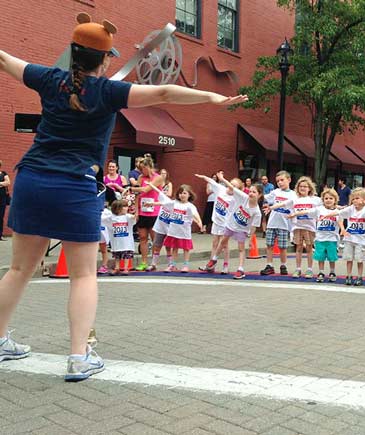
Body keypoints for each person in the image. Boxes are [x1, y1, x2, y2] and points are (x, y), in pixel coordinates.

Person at [0, 13, 247, 381]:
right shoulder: (108, 92)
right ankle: (78, 357)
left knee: (19, 269)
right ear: (104, 59)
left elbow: (4, 59)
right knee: (83, 276)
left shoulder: (48, 78)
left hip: (33, 179)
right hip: (75, 186)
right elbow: (164, 91)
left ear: (71, 53)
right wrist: (213, 96)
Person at [323, 188, 365, 286]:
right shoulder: (350, 209)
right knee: (349, 258)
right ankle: (349, 275)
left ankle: (359, 276)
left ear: (364, 199)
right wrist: (327, 215)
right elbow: (339, 212)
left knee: (359, 259)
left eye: (357, 198)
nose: (355, 201)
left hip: (361, 240)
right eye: (353, 199)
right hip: (349, 238)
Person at [268, 176, 320, 279]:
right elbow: (282, 204)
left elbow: (328, 206)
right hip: (297, 227)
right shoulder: (295, 199)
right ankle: (298, 269)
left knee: (309, 248)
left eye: (305, 186)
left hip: (309, 228)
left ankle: (309, 269)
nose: (303, 188)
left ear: (309, 188)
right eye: (301, 186)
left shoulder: (315, 200)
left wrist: (339, 208)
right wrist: (270, 207)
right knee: (299, 248)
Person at [211, 173, 262, 279]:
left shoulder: (257, 212)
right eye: (250, 191)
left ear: (259, 195)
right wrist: (222, 179)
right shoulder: (243, 197)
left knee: (241, 248)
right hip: (231, 224)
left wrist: (250, 239)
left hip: (241, 229)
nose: (251, 193)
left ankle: (240, 269)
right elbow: (232, 187)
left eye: (254, 192)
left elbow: (254, 226)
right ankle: (214, 259)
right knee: (223, 241)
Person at [290, 188, 340, 283]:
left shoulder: (338, 211)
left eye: (331, 198)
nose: (328, 200)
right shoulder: (319, 209)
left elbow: (344, 218)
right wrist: (295, 214)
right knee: (320, 257)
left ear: (335, 200)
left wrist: (344, 231)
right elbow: (307, 212)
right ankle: (321, 272)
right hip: (320, 239)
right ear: (323, 200)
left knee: (331, 257)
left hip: (332, 239)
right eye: (326, 198)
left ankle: (332, 272)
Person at [197, 172, 243, 274]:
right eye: (231, 184)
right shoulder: (221, 189)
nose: (231, 187)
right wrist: (203, 176)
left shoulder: (236, 198)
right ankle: (211, 265)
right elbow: (212, 181)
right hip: (216, 221)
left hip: (226, 224)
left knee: (224, 245)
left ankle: (225, 265)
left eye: (234, 186)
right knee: (214, 243)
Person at [128, 156, 163, 270]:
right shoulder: (140, 177)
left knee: (154, 238)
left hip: (154, 212)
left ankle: (153, 263)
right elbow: (138, 195)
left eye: (143, 168)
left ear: (149, 167)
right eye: (140, 169)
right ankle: (143, 262)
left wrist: (131, 189)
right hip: (143, 211)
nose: (142, 171)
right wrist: (136, 211)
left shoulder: (158, 178)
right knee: (143, 237)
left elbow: (145, 189)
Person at [260, 171, 297, 276]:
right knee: (269, 245)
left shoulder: (293, 195)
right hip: (272, 223)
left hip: (284, 224)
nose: (280, 183)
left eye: (282, 180)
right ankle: (269, 265)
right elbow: (265, 197)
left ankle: (283, 265)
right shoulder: (275, 192)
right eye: (278, 181)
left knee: (283, 246)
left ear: (289, 180)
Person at [160, 184, 202, 273]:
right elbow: (163, 203)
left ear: (189, 195)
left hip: (184, 232)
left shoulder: (190, 206)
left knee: (186, 249)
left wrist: (199, 222)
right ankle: (173, 265)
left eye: (184, 193)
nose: (182, 195)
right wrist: (152, 203)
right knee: (174, 248)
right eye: (180, 193)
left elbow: (195, 214)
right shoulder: (174, 203)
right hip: (174, 231)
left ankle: (186, 265)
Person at [102, 199, 136, 276]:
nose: (126, 208)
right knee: (117, 255)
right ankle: (117, 268)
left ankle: (125, 268)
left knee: (126, 255)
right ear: (118, 208)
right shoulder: (111, 217)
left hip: (126, 241)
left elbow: (134, 218)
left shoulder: (127, 217)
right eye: (124, 206)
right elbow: (102, 219)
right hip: (116, 242)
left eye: (126, 206)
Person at [97, 205, 112, 274]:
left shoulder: (107, 212)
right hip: (93, 231)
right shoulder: (90, 209)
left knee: (103, 249)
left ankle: (104, 265)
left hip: (103, 232)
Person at [0, 161, 10, 241]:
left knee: (1, 216)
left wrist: (1, 183)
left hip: (2, 199)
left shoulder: (3, 173)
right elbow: (5, 183)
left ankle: (0, 235)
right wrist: (3, 183)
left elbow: (8, 182)